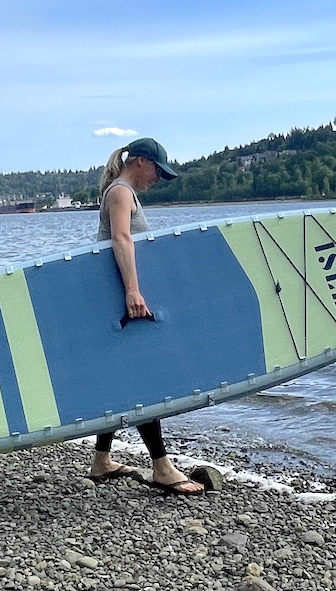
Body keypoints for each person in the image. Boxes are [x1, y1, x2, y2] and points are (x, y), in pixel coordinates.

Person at [87, 137, 205, 496]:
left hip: (118, 298)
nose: (157, 178)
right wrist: (133, 292)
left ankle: (102, 460)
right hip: (124, 299)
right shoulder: (121, 192)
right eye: (157, 170)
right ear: (140, 162)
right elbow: (121, 240)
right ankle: (162, 468)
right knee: (144, 381)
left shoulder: (120, 191)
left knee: (123, 375)